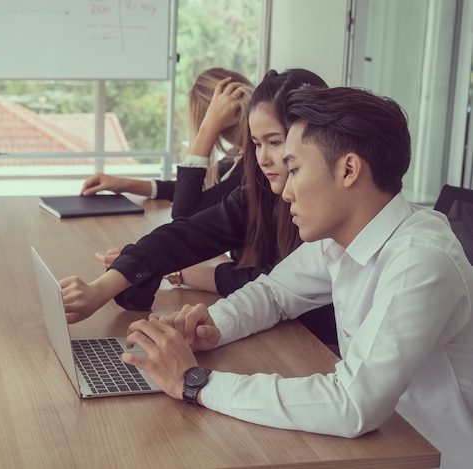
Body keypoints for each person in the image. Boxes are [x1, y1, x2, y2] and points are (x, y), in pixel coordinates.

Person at [121, 86, 473, 469]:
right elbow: (275, 292)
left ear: (348, 170)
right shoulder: (343, 238)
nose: (285, 192)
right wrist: (214, 326)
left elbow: (352, 404)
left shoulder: (420, 261)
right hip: (378, 443)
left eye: (296, 170)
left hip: (430, 455)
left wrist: (195, 382)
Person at [61, 69, 337, 347]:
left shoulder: (327, 215)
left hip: (315, 348)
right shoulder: (260, 192)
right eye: (256, 144)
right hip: (280, 338)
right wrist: (98, 290)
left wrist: (178, 274)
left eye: (274, 142)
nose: (263, 158)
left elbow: (268, 281)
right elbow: (186, 232)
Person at [80, 67, 253, 220]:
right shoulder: (239, 157)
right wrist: (125, 184)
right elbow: (186, 193)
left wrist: (206, 130)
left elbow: (184, 216)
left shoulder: (250, 170)